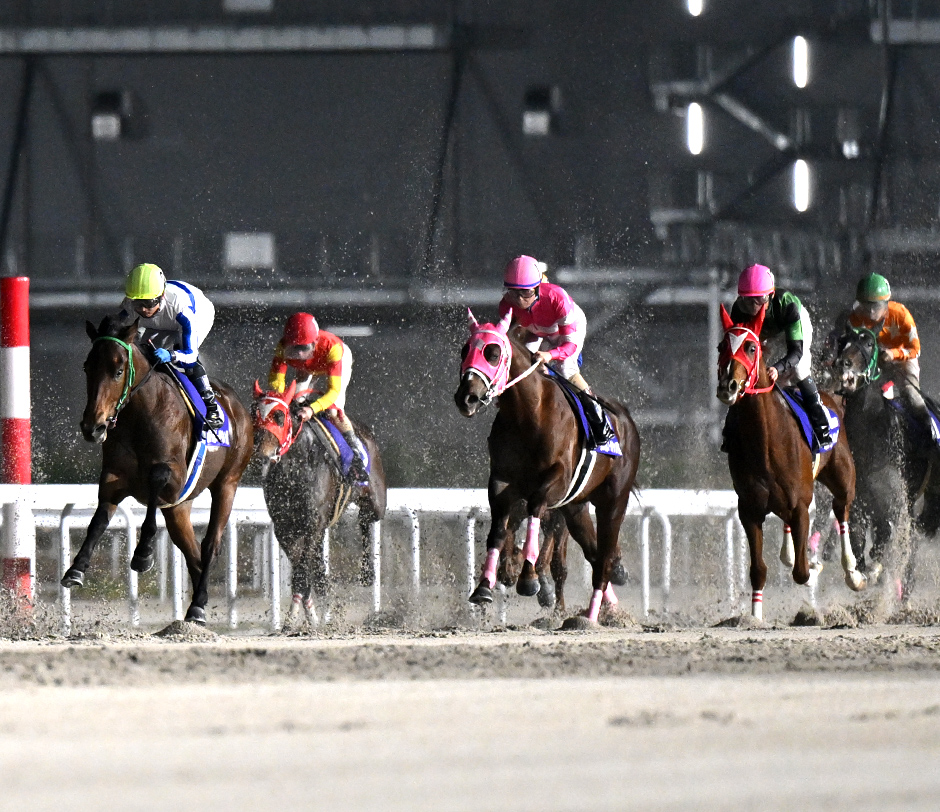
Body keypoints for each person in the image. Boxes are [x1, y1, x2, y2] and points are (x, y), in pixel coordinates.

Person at [498, 254, 615, 448]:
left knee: (565, 368)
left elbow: (569, 347)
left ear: (537, 288)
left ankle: (597, 415)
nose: (519, 300)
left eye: (525, 293)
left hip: (568, 328)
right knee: (522, 366)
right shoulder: (505, 305)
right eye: (513, 292)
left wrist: (549, 355)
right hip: (538, 331)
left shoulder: (557, 298)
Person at [727, 263, 831, 445]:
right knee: (747, 370)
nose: (753, 307)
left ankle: (821, 424)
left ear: (771, 295)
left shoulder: (786, 305)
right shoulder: (738, 311)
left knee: (798, 369)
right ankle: (731, 426)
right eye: (747, 300)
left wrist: (778, 367)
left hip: (793, 326)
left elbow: (796, 351)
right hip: (766, 334)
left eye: (759, 300)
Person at [116, 263, 224, 429]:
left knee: (183, 362)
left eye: (149, 303)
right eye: (138, 304)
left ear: (161, 296)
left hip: (198, 314)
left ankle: (211, 406)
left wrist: (172, 355)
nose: (144, 309)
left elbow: (190, 355)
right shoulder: (130, 304)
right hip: (161, 320)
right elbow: (115, 331)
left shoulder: (181, 309)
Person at [831, 273, 934, 439]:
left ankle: (930, 434)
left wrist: (893, 354)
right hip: (872, 364)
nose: (871, 312)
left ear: (886, 303)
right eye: (866, 306)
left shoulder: (901, 315)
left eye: (876, 306)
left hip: (902, 361)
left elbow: (915, 349)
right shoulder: (853, 319)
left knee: (911, 395)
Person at [267, 312, 369, 479]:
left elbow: (333, 392)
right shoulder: (282, 347)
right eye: (294, 348)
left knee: (333, 411)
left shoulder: (333, 349)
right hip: (309, 367)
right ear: (287, 343)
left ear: (314, 343)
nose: (299, 354)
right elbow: (276, 382)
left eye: (303, 348)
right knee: (292, 404)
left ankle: (356, 452)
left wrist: (312, 409)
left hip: (332, 361)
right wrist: (281, 399)